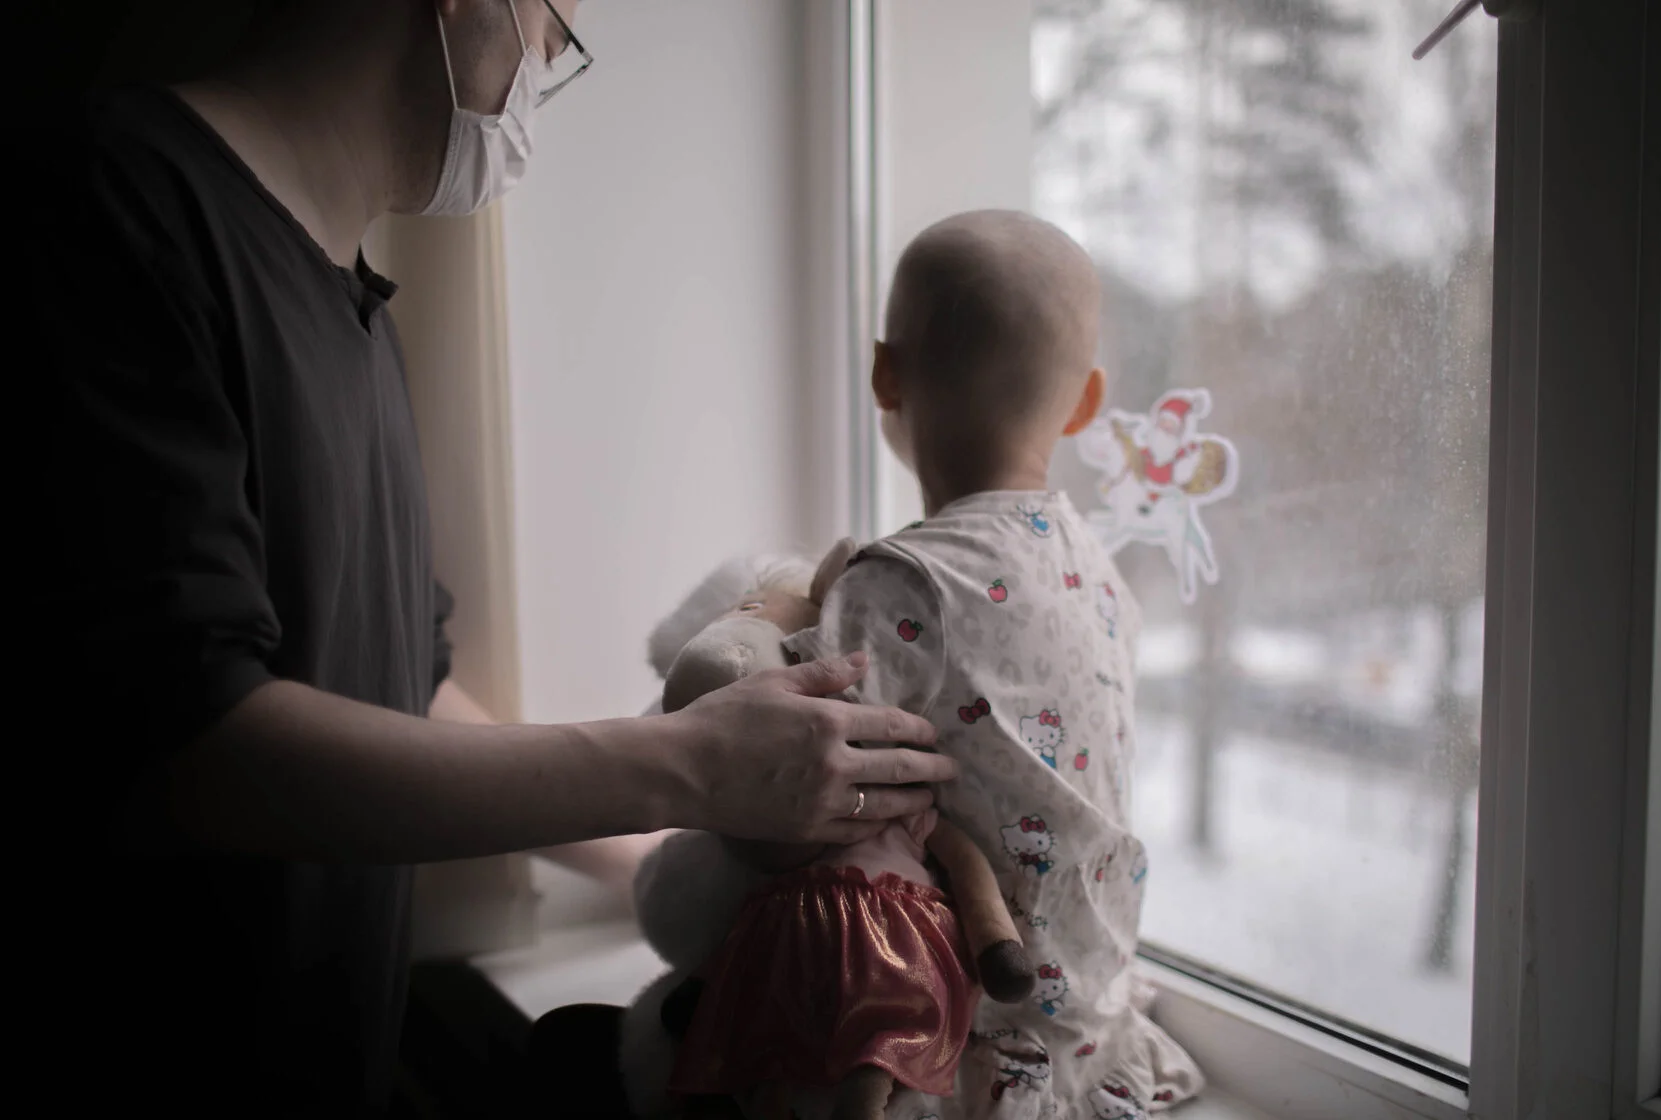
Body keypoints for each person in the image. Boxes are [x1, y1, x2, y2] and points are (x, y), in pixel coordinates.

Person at [28, 2, 952, 1115]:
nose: (543, 77)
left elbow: (402, 692)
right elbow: (201, 743)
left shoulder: (354, 310)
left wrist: (684, 872)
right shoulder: (117, 207)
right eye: (555, 34)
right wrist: (687, 765)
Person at [663, 211, 1206, 1117]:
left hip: (945, 1053)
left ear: (886, 375)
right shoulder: (1106, 580)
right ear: (1084, 403)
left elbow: (775, 799)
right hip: (1084, 1038)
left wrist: (768, 611)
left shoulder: (901, 584)